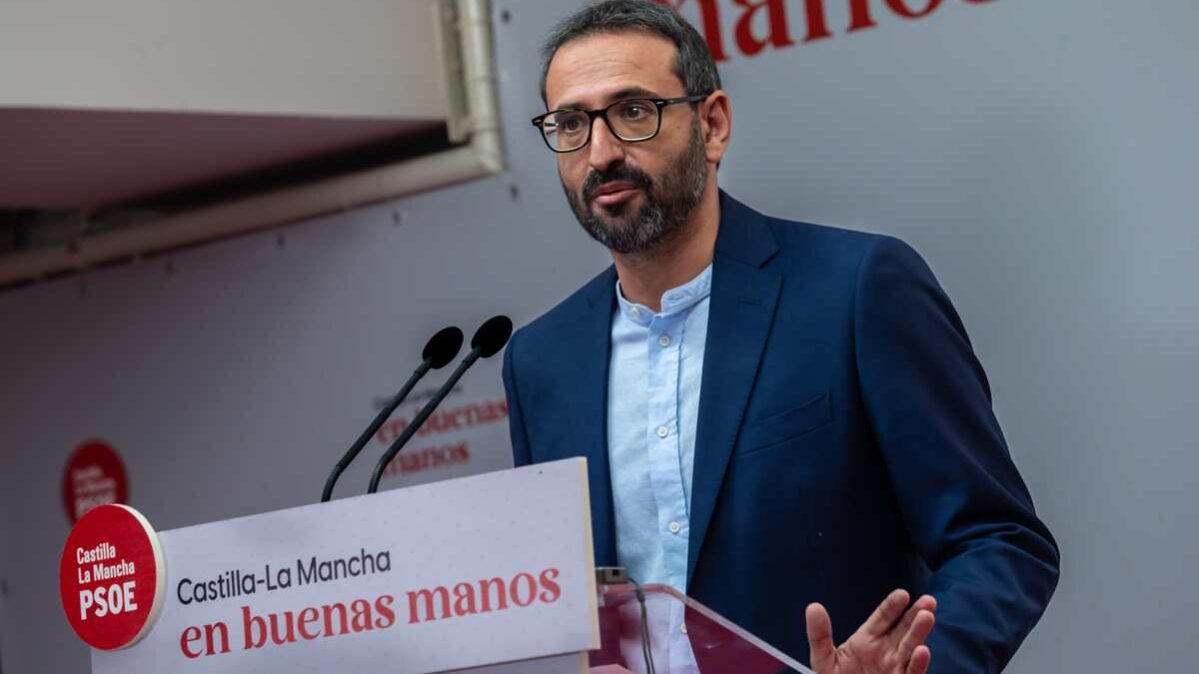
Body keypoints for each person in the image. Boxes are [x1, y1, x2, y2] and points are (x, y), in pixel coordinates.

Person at [501, 2, 1060, 673]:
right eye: (569, 123)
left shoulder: (854, 291)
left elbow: (997, 542)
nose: (600, 152)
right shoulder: (540, 363)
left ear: (711, 125)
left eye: (632, 111)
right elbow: (568, 611)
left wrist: (918, 662)